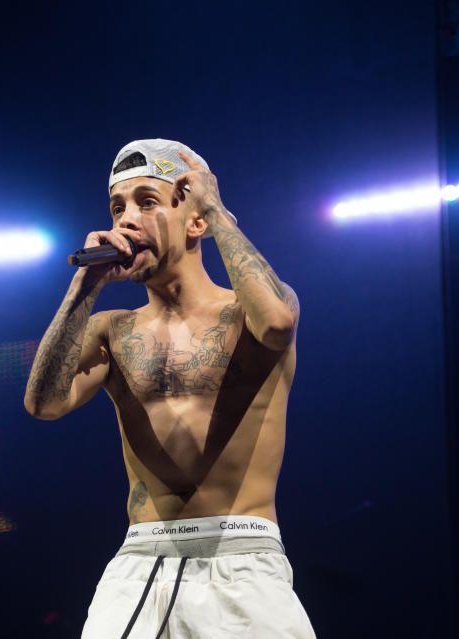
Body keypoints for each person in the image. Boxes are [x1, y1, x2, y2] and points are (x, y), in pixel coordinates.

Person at [24, 139, 315, 638]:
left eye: (147, 202)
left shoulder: (249, 312)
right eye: (118, 207)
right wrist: (85, 286)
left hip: (242, 559)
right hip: (142, 562)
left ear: (194, 220)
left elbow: (278, 323)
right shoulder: (111, 330)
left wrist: (216, 209)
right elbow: (44, 404)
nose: (127, 220)